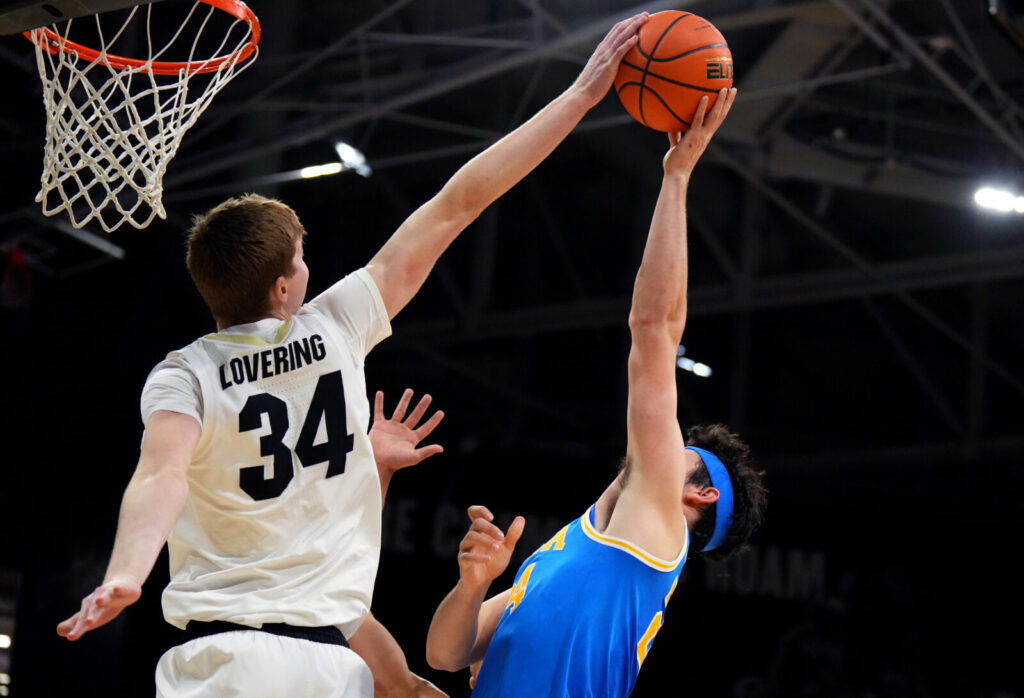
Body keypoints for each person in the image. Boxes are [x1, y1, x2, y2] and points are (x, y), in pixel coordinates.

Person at [55, 11, 650, 698]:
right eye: (302, 259)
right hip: (331, 665)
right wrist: (580, 94)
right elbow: (458, 203)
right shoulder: (337, 325)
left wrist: (127, 572)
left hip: (225, 661)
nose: (310, 268)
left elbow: (160, 475)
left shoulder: (182, 373)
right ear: (284, 286)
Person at [425, 86, 768, 697]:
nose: (662, 445)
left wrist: (678, 177)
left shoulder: (657, 529)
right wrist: (474, 582)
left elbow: (655, 330)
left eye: (681, 454)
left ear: (701, 494)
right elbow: (446, 654)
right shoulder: (556, 556)